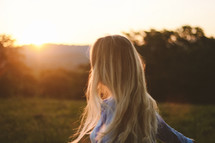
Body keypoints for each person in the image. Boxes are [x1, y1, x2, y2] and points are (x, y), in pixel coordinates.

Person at [71, 35, 195, 143]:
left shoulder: (125, 108)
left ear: (106, 69)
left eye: (96, 63)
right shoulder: (144, 108)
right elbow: (182, 141)